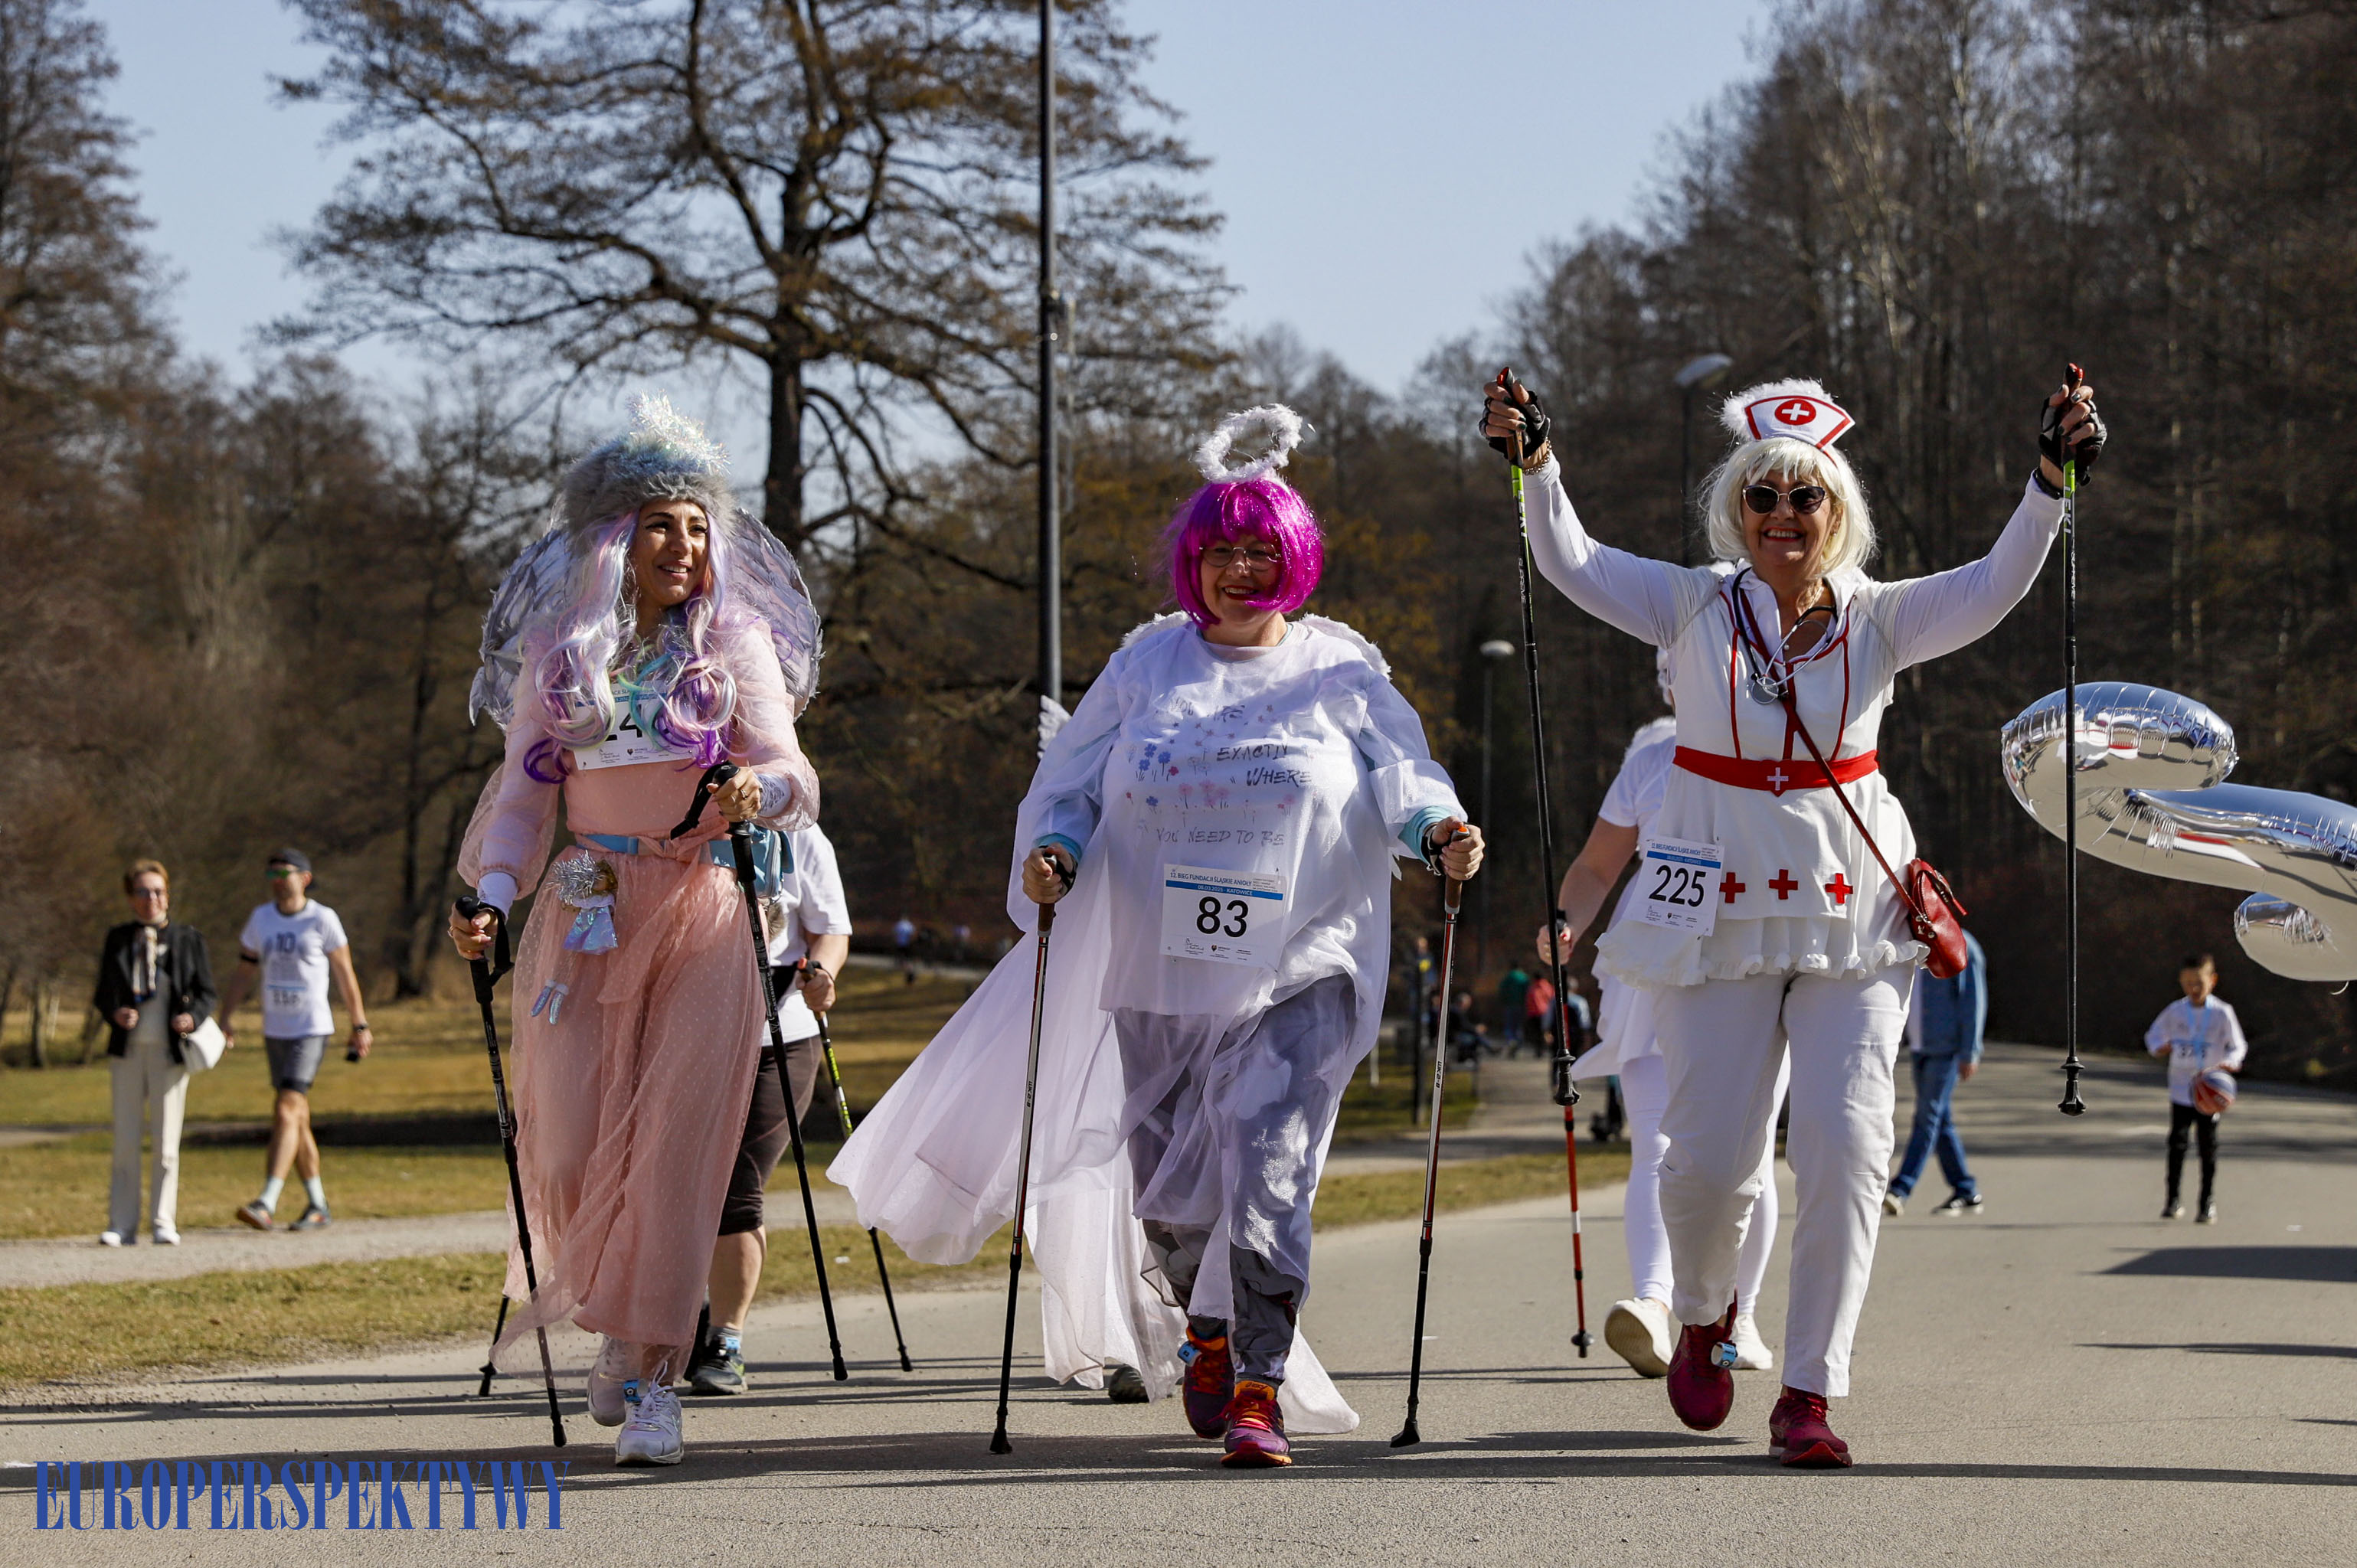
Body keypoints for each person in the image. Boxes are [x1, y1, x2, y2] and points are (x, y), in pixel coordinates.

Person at [832, 405, 1483, 1469]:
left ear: (1296, 561)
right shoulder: (1144, 668)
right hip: (1163, 965)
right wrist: (1053, 852)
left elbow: (1400, 772)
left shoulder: (1337, 671)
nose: (1241, 569)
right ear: (1192, 565)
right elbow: (1071, 783)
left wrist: (1435, 830)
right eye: (1220, 551)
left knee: (1269, 1167)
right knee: (1175, 1200)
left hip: (1299, 965)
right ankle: (1208, 1331)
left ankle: (1259, 1388)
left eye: (1263, 551)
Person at [1488, 361, 2104, 1467]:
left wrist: (2048, 481)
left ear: (1837, 512)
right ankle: (1705, 1314)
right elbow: (1570, 562)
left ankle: (1810, 1391)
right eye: (1761, 497)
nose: (1782, 516)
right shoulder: (1686, 601)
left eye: (1804, 496)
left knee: (1845, 1143)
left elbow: (1997, 583)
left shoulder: (1880, 618)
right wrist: (1539, 466)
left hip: (1852, 917)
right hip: (1712, 914)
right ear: (1735, 510)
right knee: (1704, 1162)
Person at [447, 394, 822, 1468]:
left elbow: (795, 774)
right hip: (587, 911)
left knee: (673, 1151)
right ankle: (615, 1319)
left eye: (699, 525)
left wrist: (755, 787)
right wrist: (493, 895)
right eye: (662, 523)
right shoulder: (560, 656)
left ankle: (656, 1371)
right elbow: (521, 798)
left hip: (704, 909)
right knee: (565, 1141)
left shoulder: (735, 645)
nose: (685, 545)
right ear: (615, 539)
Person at [1543, 675, 1784, 1382]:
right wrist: (1566, 922)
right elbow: (1595, 866)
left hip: (1752, 951)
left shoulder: (1790, 748)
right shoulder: (1650, 760)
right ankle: (1653, 1304)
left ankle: (1740, 1316)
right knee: (1655, 1141)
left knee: (1749, 1146)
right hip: (1653, 956)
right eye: (1680, 669)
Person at [682, 821, 852, 1396]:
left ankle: (726, 1338)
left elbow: (830, 930)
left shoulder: (800, 831)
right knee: (683, 1182)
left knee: (738, 1182)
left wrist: (823, 973)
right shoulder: (664, 821)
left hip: (781, 1036)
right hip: (688, 1035)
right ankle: (690, 1311)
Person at [217, 849, 368, 1233]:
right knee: (295, 1117)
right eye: (271, 873)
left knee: (286, 1108)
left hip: (310, 1028)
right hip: (275, 1029)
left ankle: (266, 1201)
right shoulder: (260, 919)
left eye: (284, 872)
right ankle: (318, 1204)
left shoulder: (322, 919)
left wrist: (360, 1025)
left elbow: (346, 975)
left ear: (304, 877)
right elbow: (243, 972)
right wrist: (226, 1016)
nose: (277, 879)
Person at [93, 860, 217, 1246]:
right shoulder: (119, 939)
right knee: (126, 1140)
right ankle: (122, 1224)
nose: (153, 899)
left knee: (166, 1142)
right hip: (128, 1052)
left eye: (159, 891)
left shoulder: (187, 939)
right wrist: (116, 1012)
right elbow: (102, 992)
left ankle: (163, 1220)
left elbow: (206, 993)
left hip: (169, 1053)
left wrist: (191, 1019)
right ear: (131, 898)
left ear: (169, 894)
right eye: (144, 892)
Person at [1886, 929, 1989, 1217]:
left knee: (1927, 1116)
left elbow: (1974, 1000)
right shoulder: (1914, 943)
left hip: (1947, 1050)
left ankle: (1900, 1189)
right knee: (1940, 1120)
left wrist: (1970, 1051)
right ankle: (1965, 1189)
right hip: (1921, 1047)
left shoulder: (1962, 944)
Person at [2144, 952, 2245, 1223]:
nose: (2194, 989)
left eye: (2199, 983)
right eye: (2188, 983)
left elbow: (2238, 1045)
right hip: (2181, 1090)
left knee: (2208, 1147)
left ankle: (2206, 1202)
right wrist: (2158, 1048)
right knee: (2177, 1144)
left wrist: (2229, 1063)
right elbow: (2153, 1036)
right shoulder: (2175, 1011)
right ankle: (2173, 1200)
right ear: (2181, 982)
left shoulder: (2222, 1013)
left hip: (2210, 1093)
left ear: (2212, 981)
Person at [1497, 965, 1533, 1057]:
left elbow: (1502, 990)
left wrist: (1503, 1001)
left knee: (1509, 1025)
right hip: (1521, 1005)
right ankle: (1518, 1046)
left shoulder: (1508, 977)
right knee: (1518, 1026)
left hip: (1509, 1005)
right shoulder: (1524, 977)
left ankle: (1511, 1042)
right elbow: (1528, 991)